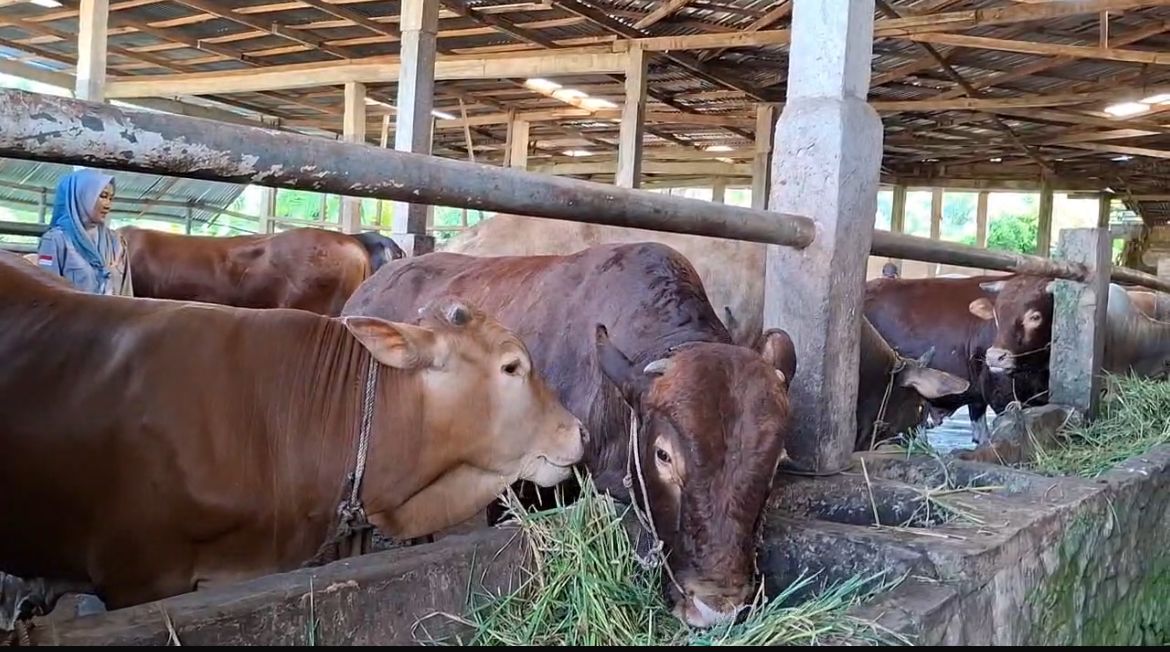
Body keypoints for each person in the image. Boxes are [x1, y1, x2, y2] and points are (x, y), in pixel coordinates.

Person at [35, 169, 133, 297]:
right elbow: (47, 295)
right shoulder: (56, 241)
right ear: (82, 196)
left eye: (111, 198)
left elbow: (127, 295)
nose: (108, 205)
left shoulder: (117, 243)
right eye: (103, 196)